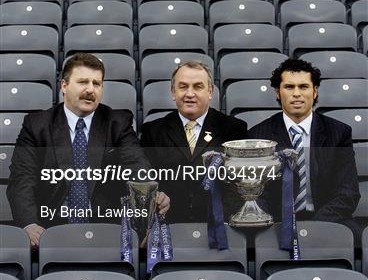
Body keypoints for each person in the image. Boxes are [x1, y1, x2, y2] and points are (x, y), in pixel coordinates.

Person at [7, 53, 169, 247]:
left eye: (97, 83)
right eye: (83, 82)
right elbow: (22, 179)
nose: (90, 89)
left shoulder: (117, 122)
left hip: (108, 228)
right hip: (51, 228)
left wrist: (149, 198)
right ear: (64, 86)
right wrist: (30, 224)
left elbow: (137, 167)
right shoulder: (37, 125)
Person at [247, 57, 361, 237]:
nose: (297, 93)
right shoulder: (258, 135)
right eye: (289, 87)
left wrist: (313, 228)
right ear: (278, 92)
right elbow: (257, 194)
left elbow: (347, 193)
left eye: (304, 86)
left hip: (328, 220)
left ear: (315, 91)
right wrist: (280, 226)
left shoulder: (339, 133)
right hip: (276, 224)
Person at [140, 60, 248, 223]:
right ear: (173, 92)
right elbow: (146, 180)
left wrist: (220, 219)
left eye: (198, 86)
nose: (190, 94)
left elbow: (239, 183)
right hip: (168, 226)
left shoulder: (233, 129)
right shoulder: (153, 131)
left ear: (210, 91)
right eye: (183, 86)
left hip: (220, 226)